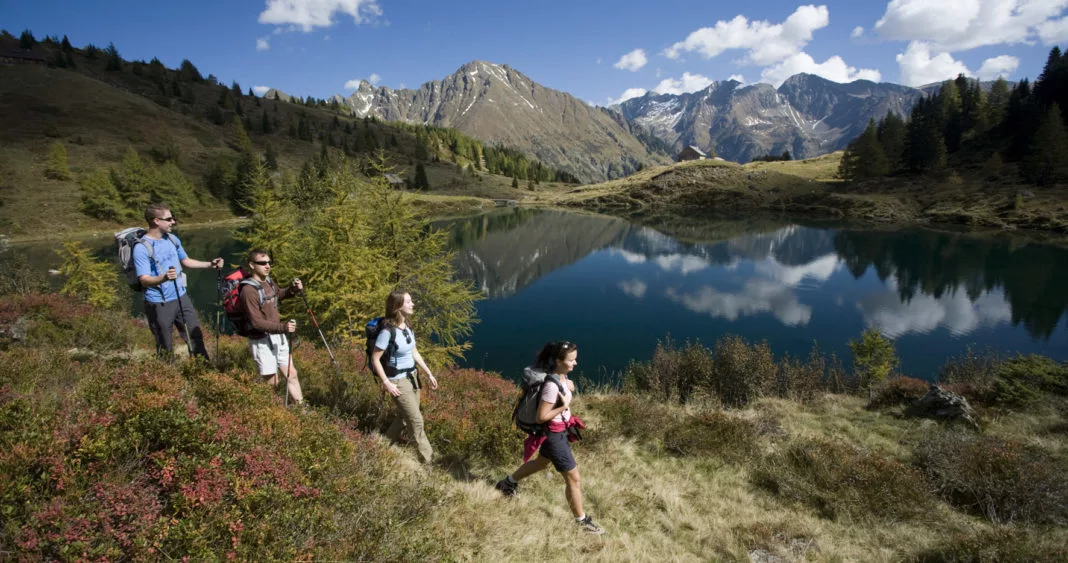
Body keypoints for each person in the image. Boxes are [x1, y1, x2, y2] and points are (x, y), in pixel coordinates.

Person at [495, 342, 605, 535]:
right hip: (554, 435)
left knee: (540, 463)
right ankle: (582, 521)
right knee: (573, 478)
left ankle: (507, 483)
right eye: (571, 360)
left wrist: (570, 386)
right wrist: (562, 408)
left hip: (558, 431)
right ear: (558, 361)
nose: (575, 363)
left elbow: (564, 388)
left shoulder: (561, 377)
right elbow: (541, 417)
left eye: (575, 359)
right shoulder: (550, 387)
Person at [133, 203, 223, 359]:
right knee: (165, 345)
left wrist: (210, 265)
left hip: (181, 297)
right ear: (156, 221)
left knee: (195, 337)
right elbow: (144, 280)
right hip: (158, 303)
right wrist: (165, 277)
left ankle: (204, 373)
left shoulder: (172, 239)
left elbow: (186, 261)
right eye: (169, 219)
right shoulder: (141, 248)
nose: (173, 222)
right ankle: (168, 379)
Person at [371, 290, 437, 464]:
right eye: (408, 302)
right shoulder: (387, 331)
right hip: (398, 382)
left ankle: (381, 447)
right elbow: (375, 358)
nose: (412, 304)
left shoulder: (406, 325)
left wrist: (428, 373)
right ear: (398, 306)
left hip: (412, 377)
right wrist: (386, 383)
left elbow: (413, 351)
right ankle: (429, 462)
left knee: (404, 418)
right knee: (416, 421)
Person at [241, 249, 305, 405]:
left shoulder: (268, 281)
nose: (267, 266)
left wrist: (292, 290)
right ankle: (275, 414)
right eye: (262, 263)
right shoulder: (248, 291)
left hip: (278, 337)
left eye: (269, 262)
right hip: (261, 341)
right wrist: (283, 328)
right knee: (272, 383)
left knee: (292, 374)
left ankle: (302, 412)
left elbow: (278, 295)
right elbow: (256, 322)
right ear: (252, 265)